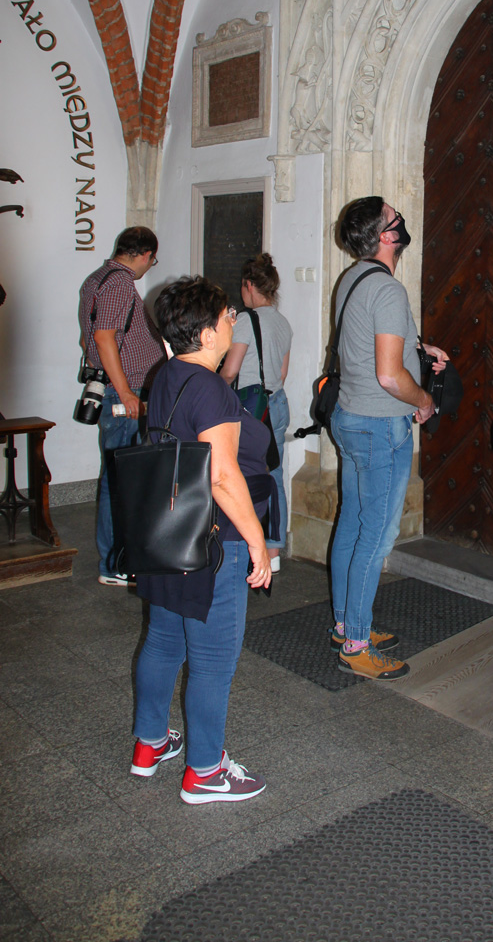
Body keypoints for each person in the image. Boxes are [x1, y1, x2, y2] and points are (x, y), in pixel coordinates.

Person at [130, 276, 278, 805]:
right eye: (226, 315)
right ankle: (206, 772)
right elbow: (222, 475)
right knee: (212, 661)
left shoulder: (165, 375)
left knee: (163, 641)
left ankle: (149, 743)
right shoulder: (211, 388)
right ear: (208, 333)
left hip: (169, 531)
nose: (233, 320)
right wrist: (257, 541)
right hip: (215, 540)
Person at [329, 197, 449, 680]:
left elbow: (369, 341)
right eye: (395, 216)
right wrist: (424, 399)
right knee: (377, 538)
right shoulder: (388, 289)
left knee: (352, 525)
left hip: (351, 419)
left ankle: (345, 624)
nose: (402, 218)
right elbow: (388, 374)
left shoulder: (353, 278)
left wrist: (420, 349)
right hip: (380, 426)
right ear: (386, 236)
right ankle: (356, 646)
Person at [78, 226, 165, 586]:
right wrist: (126, 391)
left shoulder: (96, 278)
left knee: (118, 476)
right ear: (144, 255)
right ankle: (115, 563)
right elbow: (103, 338)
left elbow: (88, 338)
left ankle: (118, 559)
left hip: (117, 388)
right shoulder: (119, 283)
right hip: (123, 394)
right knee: (121, 480)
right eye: (151, 261)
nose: (149, 266)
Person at [220, 253, 292, 573]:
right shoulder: (283, 322)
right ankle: (273, 552)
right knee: (274, 474)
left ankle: (242, 542)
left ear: (249, 285)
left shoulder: (247, 321)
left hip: (250, 407)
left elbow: (230, 371)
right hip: (276, 403)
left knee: (241, 475)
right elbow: (282, 373)